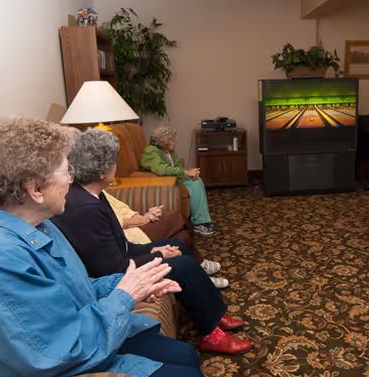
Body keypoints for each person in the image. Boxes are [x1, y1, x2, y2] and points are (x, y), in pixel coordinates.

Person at [0, 116, 213, 376]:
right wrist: (125, 297)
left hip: (77, 336)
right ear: (35, 189)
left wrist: (131, 284)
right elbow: (55, 353)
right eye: (66, 173)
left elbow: (75, 289)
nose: (72, 181)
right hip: (60, 358)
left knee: (184, 354)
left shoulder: (38, 222)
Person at [51, 128, 250, 355]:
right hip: (111, 276)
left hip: (118, 260)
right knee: (182, 265)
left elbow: (120, 245)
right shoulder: (86, 208)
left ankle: (214, 313)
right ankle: (212, 335)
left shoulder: (93, 193)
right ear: (103, 173)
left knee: (179, 247)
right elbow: (113, 266)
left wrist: (156, 247)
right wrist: (158, 255)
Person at [63, 126, 223, 278]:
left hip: (130, 242)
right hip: (130, 244)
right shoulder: (85, 205)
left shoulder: (96, 193)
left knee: (180, 240)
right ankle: (198, 267)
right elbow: (115, 261)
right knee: (180, 239)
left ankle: (198, 270)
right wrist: (145, 224)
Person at [140, 126, 217, 236]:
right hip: (163, 183)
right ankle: (199, 224)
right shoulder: (150, 152)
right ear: (163, 141)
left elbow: (177, 167)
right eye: (172, 139)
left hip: (174, 179)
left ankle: (202, 222)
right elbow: (162, 169)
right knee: (194, 183)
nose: (175, 141)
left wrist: (190, 174)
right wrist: (186, 173)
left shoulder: (170, 151)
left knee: (197, 181)